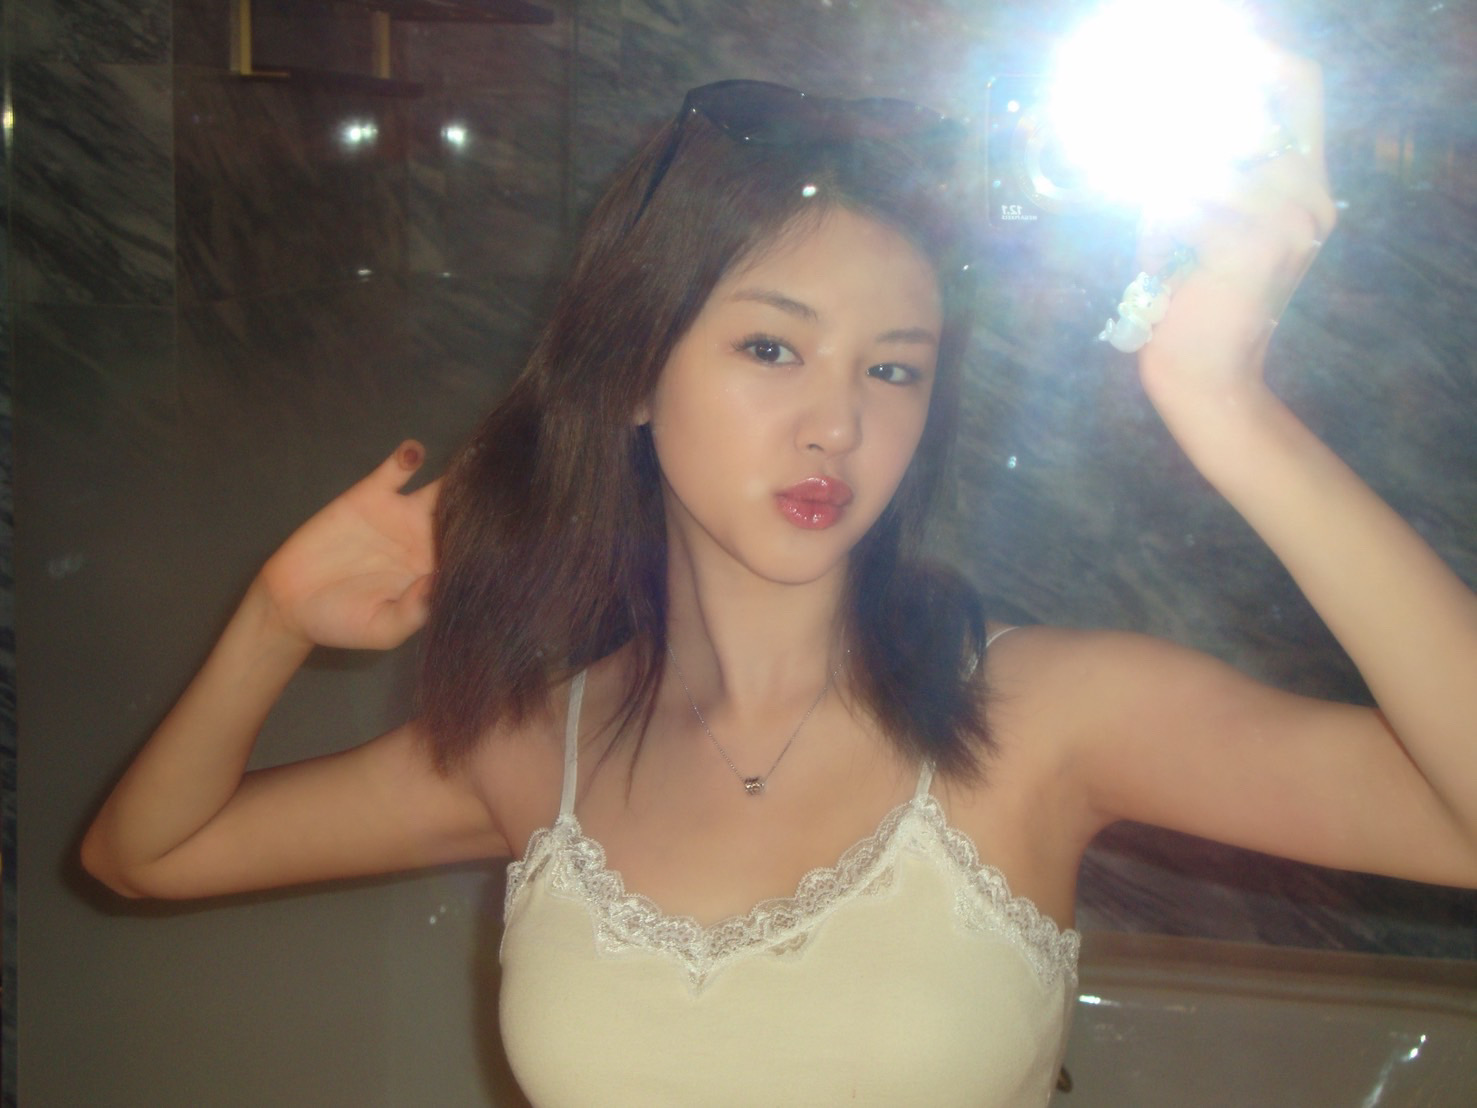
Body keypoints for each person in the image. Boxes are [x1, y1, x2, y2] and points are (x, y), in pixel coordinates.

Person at [81, 63, 1477, 1108]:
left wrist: (1225, 406)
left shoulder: (1044, 716)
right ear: (634, 373)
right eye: (770, 349)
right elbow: (148, 857)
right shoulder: (540, 748)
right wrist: (272, 622)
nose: (837, 425)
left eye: (893, 367)